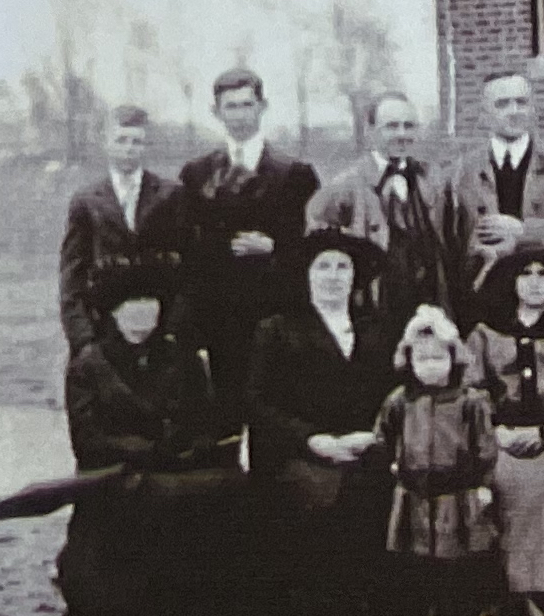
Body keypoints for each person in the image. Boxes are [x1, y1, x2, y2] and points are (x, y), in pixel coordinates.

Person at [56, 278, 241, 616]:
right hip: (116, 475)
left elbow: (206, 420)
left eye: (150, 302)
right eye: (130, 304)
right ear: (113, 311)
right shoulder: (90, 365)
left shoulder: (182, 359)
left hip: (177, 468)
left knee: (221, 489)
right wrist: (145, 449)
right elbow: (88, 439)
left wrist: (194, 445)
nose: (142, 313)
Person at [245, 226, 403, 616]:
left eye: (342, 267)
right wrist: (315, 440)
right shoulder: (277, 329)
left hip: (364, 445)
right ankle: (318, 613)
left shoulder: (376, 330)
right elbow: (260, 403)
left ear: (354, 277)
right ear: (307, 275)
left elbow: (392, 395)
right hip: (299, 451)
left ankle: (375, 607)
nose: (333, 276)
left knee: (382, 485)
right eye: (323, 267)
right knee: (321, 490)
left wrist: (372, 435)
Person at [183, 69, 322, 404]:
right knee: (224, 419)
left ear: (263, 107)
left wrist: (275, 248)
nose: (240, 115)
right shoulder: (196, 174)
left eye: (248, 104)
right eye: (231, 106)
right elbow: (190, 250)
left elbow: (310, 248)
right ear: (216, 112)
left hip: (275, 313)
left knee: (275, 412)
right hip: (221, 317)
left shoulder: (294, 174)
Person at [463, 250, 544, 616]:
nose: (535, 281)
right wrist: (494, 430)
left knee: (536, 484)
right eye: (525, 273)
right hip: (496, 436)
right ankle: (507, 598)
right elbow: (471, 390)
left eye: (543, 274)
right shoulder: (486, 333)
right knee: (502, 479)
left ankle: (530, 599)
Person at [376, 307, 500, 616]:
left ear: (453, 358)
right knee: (421, 557)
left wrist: (483, 483)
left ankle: (466, 614)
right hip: (416, 491)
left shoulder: (470, 401)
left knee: (459, 557)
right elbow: (383, 436)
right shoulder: (401, 401)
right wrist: (393, 463)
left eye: (438, 358)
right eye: (422, 358)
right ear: (410, 361)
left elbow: (486, 446)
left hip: (458, 490)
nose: (430, 366)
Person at [439, 70, 544, 311]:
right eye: (502, 104)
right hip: (482, 308)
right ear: (484, 113)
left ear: (533, 108)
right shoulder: (459, 175)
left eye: (521, 102)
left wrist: (525, 230)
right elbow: (446, 250)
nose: (514, 111)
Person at [307, 92, 463, 323]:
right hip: (374, 313)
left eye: (409, 126)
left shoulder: (432, 178)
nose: (402, 135)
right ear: (371, 131)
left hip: (429, 309)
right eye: (391, 126)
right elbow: (317, 251)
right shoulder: (343, 187)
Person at [61, 105, 183, 356]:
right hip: (105, 330)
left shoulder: (170, 195)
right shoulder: (86, 201)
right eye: (121, 140)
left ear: (147, 146)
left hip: (160, 332)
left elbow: (187, 268)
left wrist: (175, 330)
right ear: (106, 143)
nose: (129, 149)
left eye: (137, 142)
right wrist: (83, 340)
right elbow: (73, 277)